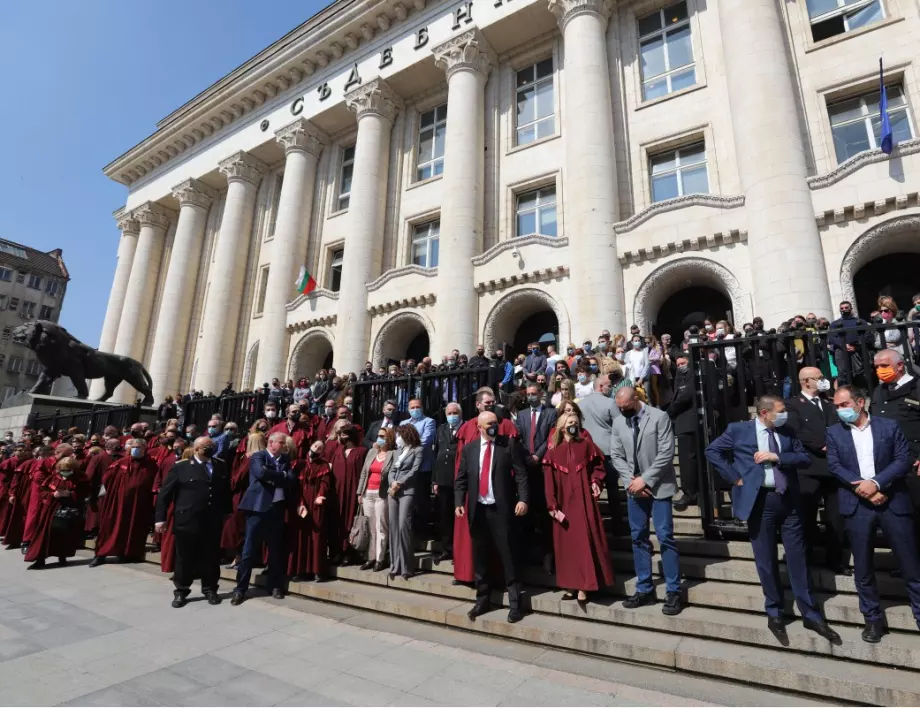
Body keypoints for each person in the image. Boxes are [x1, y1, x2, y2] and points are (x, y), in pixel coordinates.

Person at [704, 395, 840, 642]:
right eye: (779, 411)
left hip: (788, 500)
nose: (784, 414)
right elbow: (712, 450)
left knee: (798, 557)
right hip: (760, 502)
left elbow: (804, 458)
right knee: (765, 558)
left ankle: (810, 613)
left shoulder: (787, 431)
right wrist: (734, 476)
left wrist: (777, 457)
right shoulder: (739, 430)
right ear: (764, 413)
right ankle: (775, 611)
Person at [826, 385, 920, 641]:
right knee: (864, 568)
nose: (839, 410)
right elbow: (835, 465)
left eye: (843, 405)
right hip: (857, 505)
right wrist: (864, 488)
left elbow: (902, 459)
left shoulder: (888, 426)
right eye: (836, 406)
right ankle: (872, 619)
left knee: (911, 562)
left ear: (859, 403)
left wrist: (877, 483)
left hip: (893, 500)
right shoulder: (834, 433)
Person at [610, 387, 683, 616]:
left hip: (659, 487)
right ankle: (644, 588)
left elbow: (666, 452)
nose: (622, 411)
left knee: (665, 537)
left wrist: (646, 480)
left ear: (636, 399)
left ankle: (673, 591)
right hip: (634, 488)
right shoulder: (619, 422)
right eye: (619, 407)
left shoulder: (659, 417)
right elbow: (616, 454)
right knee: (638, 537)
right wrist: (630, 480)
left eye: (626, 406)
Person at [456, 411, 529, 623]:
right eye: (489, 424)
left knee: (508, 556)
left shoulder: (508, 445)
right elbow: (461, 479)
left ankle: (515, 604)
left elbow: (521, 475)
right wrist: (459, 502)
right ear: (479, 427)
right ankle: (483, 599)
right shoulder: (469, 449)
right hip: (478, 510)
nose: (493, 427)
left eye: (495, 423)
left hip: (502, 510)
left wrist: (523, 499)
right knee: (481, 558)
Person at [543, 410, 614, 604]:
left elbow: (599, 467)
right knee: (567, 547)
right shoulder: (553, 451)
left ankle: (585, 586)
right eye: (570, 422)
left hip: (584, 502)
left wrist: (596, 482)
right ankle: (570, 585)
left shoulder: (587, 445)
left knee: (584, 544)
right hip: (564, 502)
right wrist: (552, 504)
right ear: (562, 426)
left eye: (576, 421)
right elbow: (549, 482)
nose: (574, 425)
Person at [784, 366, 848, 575]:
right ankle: (807, 557)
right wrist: (822, 444)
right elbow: (796, 430)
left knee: (835, 517)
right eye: (819, 378)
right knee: (806, 516)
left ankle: (835, 559)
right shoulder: (793, 405)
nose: (823, 381)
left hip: (832, 468)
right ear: (806, 382)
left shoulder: (828, 404)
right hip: (808, 467)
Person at [155, 436, 232, 608]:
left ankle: (210, 589)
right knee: (185, 558)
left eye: (212, 445)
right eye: (206, 446)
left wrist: (227, 513)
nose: (210, 448)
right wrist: (160, 519)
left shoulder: (220, 465)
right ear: (196, 449)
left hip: (211, 520)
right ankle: (181, 591)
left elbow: (225, 491)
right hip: (187, 519)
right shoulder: (181, 467)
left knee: (211, 557)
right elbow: (165, 495)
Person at [453, 388, 519, 585]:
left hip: (498, 494)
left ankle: (501, 579)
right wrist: (461, 492)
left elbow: (514, 463)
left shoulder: (505, 425)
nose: (490, 404)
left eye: (492, 402)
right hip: (473, 495)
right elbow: (460, 464)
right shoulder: (466, 427)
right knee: (473, 539)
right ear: (478, 404)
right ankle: (467, 574)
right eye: (486, 402)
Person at [231, 431, 294, 605]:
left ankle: (274, 585)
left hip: (277, 508)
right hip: (257, 508)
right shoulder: (258, 456)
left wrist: (277, 475)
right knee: (249, 550)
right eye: (281, 442)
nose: (284, 445)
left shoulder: (285, 459)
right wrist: (280, 475)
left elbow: (291, 478)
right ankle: (240, 589)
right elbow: (260, 473)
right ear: (271, 443)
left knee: (275, 549)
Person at [91, 438, 159, 567]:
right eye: (133, 446)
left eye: (139, 447)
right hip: (118, 503)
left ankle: (128, 554)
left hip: (138, 504)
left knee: (134, 529)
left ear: (145, 449)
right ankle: (100, 555)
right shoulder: (120, 463)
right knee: (110, 527)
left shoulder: (151, 465)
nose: (136, 449)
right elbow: (107, 479)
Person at [871, 349, 920, 516]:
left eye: (884, 365)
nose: (879, 370)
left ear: (900, 366)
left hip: (914, 463)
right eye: (877, 367)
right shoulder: (879, 391)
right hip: (888, 465)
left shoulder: (917, 387)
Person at [516, 382, 557, 567]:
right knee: (527, 514)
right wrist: (527, 456)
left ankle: (547, 556)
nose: (531, 396)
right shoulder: (522, 415)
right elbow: (518, 438)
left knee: (544, 514)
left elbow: (551, 437)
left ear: (540, 394)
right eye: (529, 394)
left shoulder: (551, 413)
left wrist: (537, 456)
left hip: (543, 468)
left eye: (534, 393)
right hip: (526, 469)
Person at [23, 456, 84, 570]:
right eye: (63, 470)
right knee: (44, 535)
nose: (65, 472)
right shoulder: (53, 478)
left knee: (64, 535)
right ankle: (40, 560)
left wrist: (71, 494)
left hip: (70, 510)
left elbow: (85, 493)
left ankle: (62, 557)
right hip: (51, 510)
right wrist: (53, 494)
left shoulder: (81, 478)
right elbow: (43, 491)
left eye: (68, 470)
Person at [288, 439, 331, 582]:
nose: (317, 448)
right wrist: (300, 503)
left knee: (317, 537)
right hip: (301, 501)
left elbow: (325, 483)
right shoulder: (299, 464)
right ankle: (300, 571)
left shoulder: (323, 465)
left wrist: (320, 496)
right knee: (301, 536)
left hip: (316, 503)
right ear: (310, 446)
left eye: (320, 448)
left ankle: (317, 571)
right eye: (315, 445)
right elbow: (294, 486)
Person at [222, 430, 263, 567]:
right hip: (253, 496)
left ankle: (240, 556)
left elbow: (238, 479)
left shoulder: (251, 458)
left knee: (239, 527)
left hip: (244, 496)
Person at [387, 424, 423, 580]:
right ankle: (395, 565)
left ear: (407, 435)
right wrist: (392, 482)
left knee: (403, 527)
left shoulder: (418, 450)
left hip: (407, 491)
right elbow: (391, 470)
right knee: (394, 528)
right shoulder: (397, 452)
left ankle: (407, 566)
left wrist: (400, 482)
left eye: (399, 436)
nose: (397, 439)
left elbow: (414, 470)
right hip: (393, 492)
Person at [329, 424, 367, 565]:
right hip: (337, 493)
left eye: (344, 434)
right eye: (340, 434)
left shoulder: (361, 452)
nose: (341, 437)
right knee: (337, 522)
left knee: (351, 521)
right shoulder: (338, 451)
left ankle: (349, 553)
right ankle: (337, 552)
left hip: (353, 492)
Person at [665, 354, 700, 511]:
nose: (680, 367)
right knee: (686, 461)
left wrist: (667, 413)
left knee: (688, 460)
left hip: (689, 423)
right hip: (682, 424)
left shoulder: (692, 378)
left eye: (683, 363)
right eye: (677, 364)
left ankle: (691, 493)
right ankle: (690, 491)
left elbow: (684, 398)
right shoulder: (680, 379)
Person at [358, 427, 395, 571]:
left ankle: (380, 558)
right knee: (371, 527)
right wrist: (360, 493)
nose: (380, 439)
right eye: (379, 436)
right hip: (368, 493)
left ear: (389, 438)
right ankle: (370, 558)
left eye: (383, 436)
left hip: (382, 494)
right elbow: (363, 473)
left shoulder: (393, 454)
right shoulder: (372, 452)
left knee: (381, 527)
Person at [432, 403, 462, 564]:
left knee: (458, 516)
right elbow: (435, 453)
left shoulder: (465, 428)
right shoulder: (441, 429)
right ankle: (446, 549)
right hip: (442, 479)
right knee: (444, 516)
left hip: (458, 478)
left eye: (455, 412)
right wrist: (434, 480)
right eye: (449, 413)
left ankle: (458, 549)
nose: (452, 415)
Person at [155, 438, 189, 574]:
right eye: (175, 447)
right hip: (171, 503)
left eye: (180, 447)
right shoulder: (169, 460)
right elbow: (160, 480)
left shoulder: (188, 463)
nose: (177, 449)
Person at [407, 399, 436, 534]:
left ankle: (423, 530)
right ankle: (412, 528)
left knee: (422, 499)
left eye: (418, 406)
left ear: (422, 408)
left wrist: (408, 449)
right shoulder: (404, 424)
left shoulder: (429, 422)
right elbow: (399, 442)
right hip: (407, 467)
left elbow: (425, 441)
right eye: (412, 407)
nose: (415, 409)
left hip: (423, 467)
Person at [829, 301, 867, 386]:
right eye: (842, 308)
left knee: (860, 372)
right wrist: (843, 345)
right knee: (843, 373)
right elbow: (832, 338)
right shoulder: (834, 324)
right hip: (840, 350)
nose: (844, 310)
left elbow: (866, 336)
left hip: (857, 349)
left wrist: (856, 346)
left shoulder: (860, 322)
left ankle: (862, 393)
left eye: (846, 308)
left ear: (851, 308)